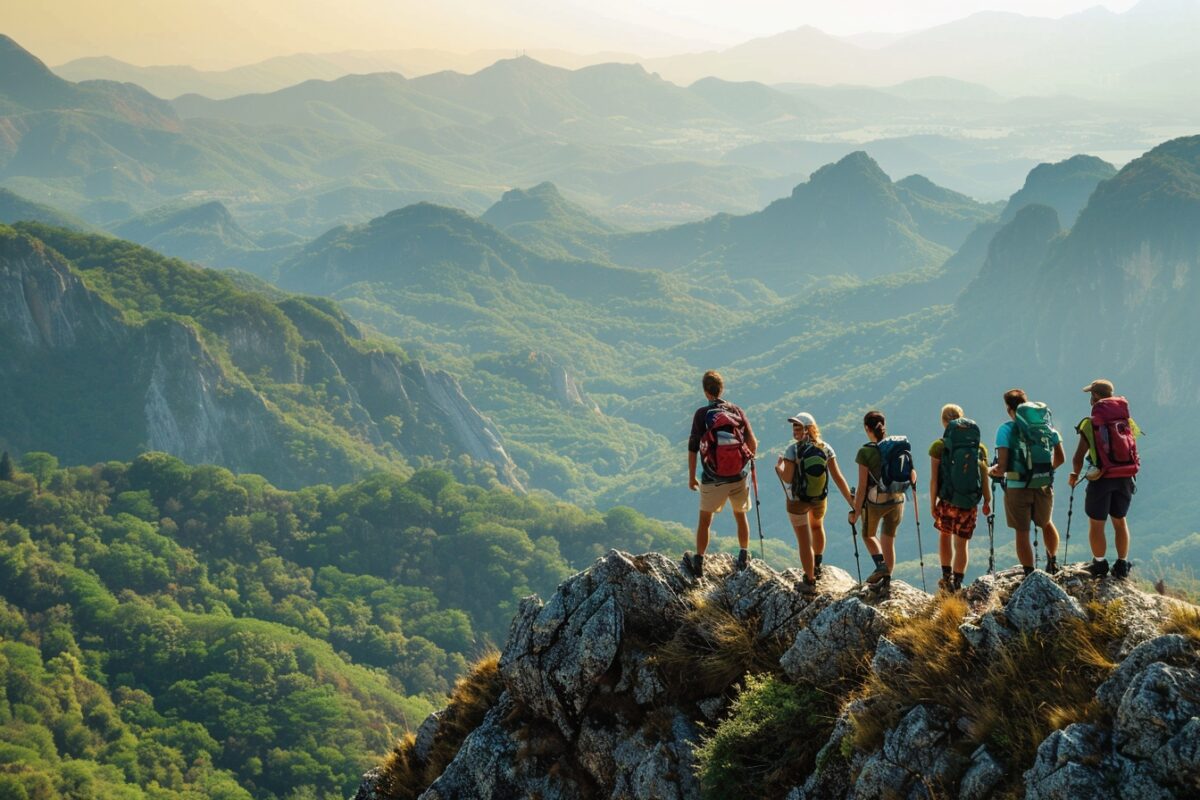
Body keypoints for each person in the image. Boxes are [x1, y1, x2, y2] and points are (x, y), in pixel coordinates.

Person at [686, 370, 758, 577]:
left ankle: (699, 560)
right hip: (738, 476)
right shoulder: (736, 410)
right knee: (740, 515)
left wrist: (692, 477)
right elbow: (752, 442)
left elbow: (692, 447)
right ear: (721, 389)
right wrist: (745, 462)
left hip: (712, 477)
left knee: (705, 520)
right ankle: (744, 555)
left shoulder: (702, 414)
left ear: (706, 392)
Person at [1068, 379, 1141, 579]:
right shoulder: (1126, 420)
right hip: (1125, 476)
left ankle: (1099, 564)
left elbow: (1077, 457)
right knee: (1120, 521)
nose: (1090, 400)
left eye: (1091, 395)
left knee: (1097, 523)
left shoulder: (1090, 423)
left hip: (1102, 478)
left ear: (1096, 397)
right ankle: (1122, 564)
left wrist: (1075, 475)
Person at [988, 389, 1065, 576]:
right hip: (1043, 484)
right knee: (1046, 523)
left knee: (1022, 532)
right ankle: (1052, 562)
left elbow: (1003, 466)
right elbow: (1061, 458)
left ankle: (1030, 573)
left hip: (1017, 486)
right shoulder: (1046, 428)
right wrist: (1045, 472)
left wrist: (990, 471)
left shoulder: (1005, 430)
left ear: (1009, 409)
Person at [776, 412, 854, 594]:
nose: (794, 430)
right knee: (817, 527)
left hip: (797, 501)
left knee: (804, 540)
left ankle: (810, 581)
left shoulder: (792, 450)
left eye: (798, 427)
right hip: (819, 499)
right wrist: (852, 502)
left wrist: (779, 468)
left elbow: (787, 478)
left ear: (807, 429)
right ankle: (817, 563)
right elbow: (837, 477)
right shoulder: (826, 448)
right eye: (794, 427)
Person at [849, 410, 916, 588]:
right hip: (898, 499)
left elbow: (862, 486)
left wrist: (856, 511)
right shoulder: (899, 446)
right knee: (888, 540)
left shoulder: (865, 452)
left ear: (866, 428)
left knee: (868, 535)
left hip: (876, 501)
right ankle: (887, 581)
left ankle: (881, 565)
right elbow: (912, 475)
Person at [929, 404, 992, 593]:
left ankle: (946, 576)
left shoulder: (939, 446)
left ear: (944, 422)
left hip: (948, 500)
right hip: (969, 502)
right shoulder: (979, 447)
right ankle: (958, 582)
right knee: (962, 542)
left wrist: (932, 503)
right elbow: (984, 475)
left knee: (945, 535)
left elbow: (934, 479)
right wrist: (987, 501)